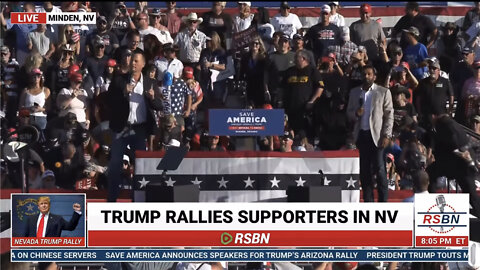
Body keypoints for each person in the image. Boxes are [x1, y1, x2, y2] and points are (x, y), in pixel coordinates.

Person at [105, 51, 163, 202]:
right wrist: (123, 92)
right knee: (115, 163)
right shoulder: (119, 80)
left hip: (139, 130)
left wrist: (152, 98)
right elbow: (109, 100)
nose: (133, 63)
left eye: (137, 61)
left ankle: (137, 198)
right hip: (121, 128)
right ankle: (112, 199)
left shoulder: (150, 82)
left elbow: (159, 105)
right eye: (132, 61)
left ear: (143, 64)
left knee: (140, 165)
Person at [346, 65, 393, 202]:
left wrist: (387, 135)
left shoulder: (383, 92)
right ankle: (369, 203)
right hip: (361, 135)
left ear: (374, 76)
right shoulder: (355, 92)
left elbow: (389, 115)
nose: (366, 76)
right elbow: (348, 113)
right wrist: (356, 113)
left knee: (380, 170)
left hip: (377, 137)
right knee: (364, 171)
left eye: (369, 74)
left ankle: (383, 204)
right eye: (364, 74)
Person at [426, 112, 480, 218]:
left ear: (433, 116)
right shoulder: (450, 123)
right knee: (471, 194)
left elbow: (456, 143)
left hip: (460, 163)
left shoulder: (444, 123)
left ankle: (432, 204)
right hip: (455, 162)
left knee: (471, 194)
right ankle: (433, 204)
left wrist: (469, 161)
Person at [283, 50, 325, 141]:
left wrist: (312, 101)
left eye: (296, 58)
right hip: (291, 110)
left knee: (305, 137)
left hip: (305, 110)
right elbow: (282, 88)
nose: (294, 60)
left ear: (303, 59)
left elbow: (320, 87)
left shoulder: (312, 71)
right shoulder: (290, 71)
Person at [414, 58, 454, 131]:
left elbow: (451, 95)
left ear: (439, 70)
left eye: (434, 68)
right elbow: (418, 98)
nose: (432, 70)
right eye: (430, 68)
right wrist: (419, 112)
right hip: (426, 115)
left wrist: (450, 111)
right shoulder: (423, 82)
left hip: (441, 115)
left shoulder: (445, 82)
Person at [174, 13, 207, 79]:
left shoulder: (202, 36)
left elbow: (205, 51)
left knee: (196, 84)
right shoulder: (180, 35)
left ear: (197, 23)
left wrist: (200, 64)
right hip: (183, 64)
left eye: (194, 22)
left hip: (197, 65)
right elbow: (175, 49)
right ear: (187, 23)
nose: (192, 23)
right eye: (190, 21)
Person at [267, 34, 295, 108]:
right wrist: (266, 90)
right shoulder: (271, 56)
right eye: (281, 42)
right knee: (276, 114)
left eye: (285, 42)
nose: (283, 44)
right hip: (275, 90)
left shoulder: (294, 56)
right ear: (278, 43)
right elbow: (266, 74)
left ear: (289, 44)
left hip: (291, 90)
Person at [240, 37, 269, 108]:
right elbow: (242, 71)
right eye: (252, 43)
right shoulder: (246, 57)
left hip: (261, 86)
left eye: (257, 43)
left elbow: (267, 72)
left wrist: (267, 89)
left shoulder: (265, 57)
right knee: (250, 107)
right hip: (249, 85)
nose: (254, 45)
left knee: (260, 107)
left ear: (260, 45)